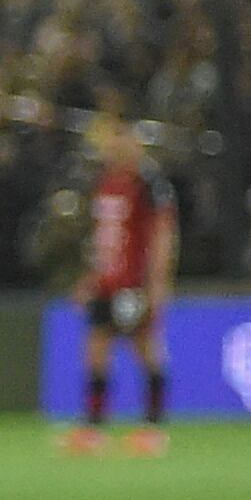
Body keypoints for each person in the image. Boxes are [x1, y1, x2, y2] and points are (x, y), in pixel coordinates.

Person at [66, 116, 178, 456]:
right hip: (106, 282)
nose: (117, 146)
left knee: (145, 347)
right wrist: (89, 279)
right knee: (96, 349)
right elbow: (101, 239)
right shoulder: (102, 182)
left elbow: (163, 234)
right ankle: (94, 427)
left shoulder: (149, 184)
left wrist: (158, 283)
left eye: (124, 139)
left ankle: (154, 427)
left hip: (134, 283)